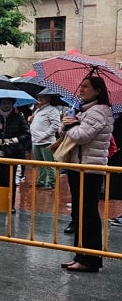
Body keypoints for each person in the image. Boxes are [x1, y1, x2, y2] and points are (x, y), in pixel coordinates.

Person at [59, 75, 113, 273]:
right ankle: (79, 255)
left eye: (86, 87)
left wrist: (71, 125)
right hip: (77, 167)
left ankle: (91, 259)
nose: (81, 90)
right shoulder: (82, 110)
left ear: (97, 91)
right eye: (80, 86)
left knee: (88, 213)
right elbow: (62, 132)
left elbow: (81, 137)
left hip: (90, 169)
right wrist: (66, 123)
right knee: (79, 213)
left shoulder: (100, 112)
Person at [0, 98, 30, 210]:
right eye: (3, 102)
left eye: (8, 102)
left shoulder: (19, 117)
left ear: (12, 104)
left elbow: (27, 134)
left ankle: (10, 204)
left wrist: (14, 140)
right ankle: (0, 203)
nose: (6, 105)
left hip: (12, 152)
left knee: (10, 179)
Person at [29, 91, 61, 189]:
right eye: (39, 96)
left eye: (43, 96)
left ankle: (51, 183)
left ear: (49, 98)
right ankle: (41, 180)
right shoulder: (37, 110)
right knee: (39, 164)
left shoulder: (52, 110)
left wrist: (44, 135)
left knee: (48, 163)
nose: (40, 98)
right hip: (35, 141)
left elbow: (55, 125)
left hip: (46, 142)